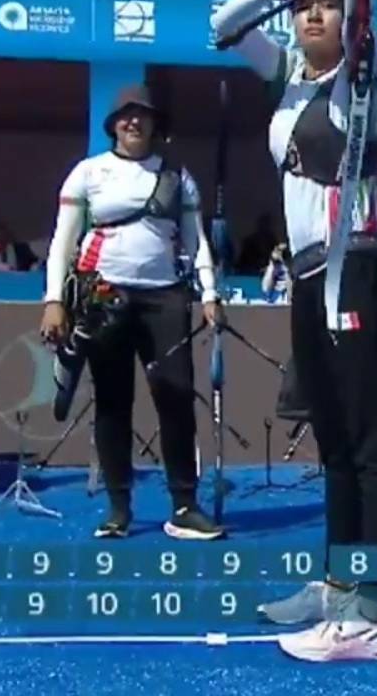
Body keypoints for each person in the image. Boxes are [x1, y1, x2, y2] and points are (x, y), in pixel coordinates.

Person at [211, 0, 377, 662]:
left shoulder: (364, 75)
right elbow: (223, 28)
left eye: (326, 4)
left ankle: (375, 613)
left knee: (368, 438)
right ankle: (337, 585)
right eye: (304, 7)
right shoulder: (289, 80)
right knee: (331, 439)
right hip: (307, 273)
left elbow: (363, 24)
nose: (313, 13)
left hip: (354, 269)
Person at [39, 85, 225, 540]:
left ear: (154, 123)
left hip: (166, 297)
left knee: (177, 398)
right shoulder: (88, 172)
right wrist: (54, 301)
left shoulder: (177, 175)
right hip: (104, 297)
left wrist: (210, 292)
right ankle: (119, 509)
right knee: (113, 402)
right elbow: (63, 240)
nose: (133, 122)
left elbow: (195, 237)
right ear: (113, 124)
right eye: (125, 115)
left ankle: (184, 506)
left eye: (142, 115)